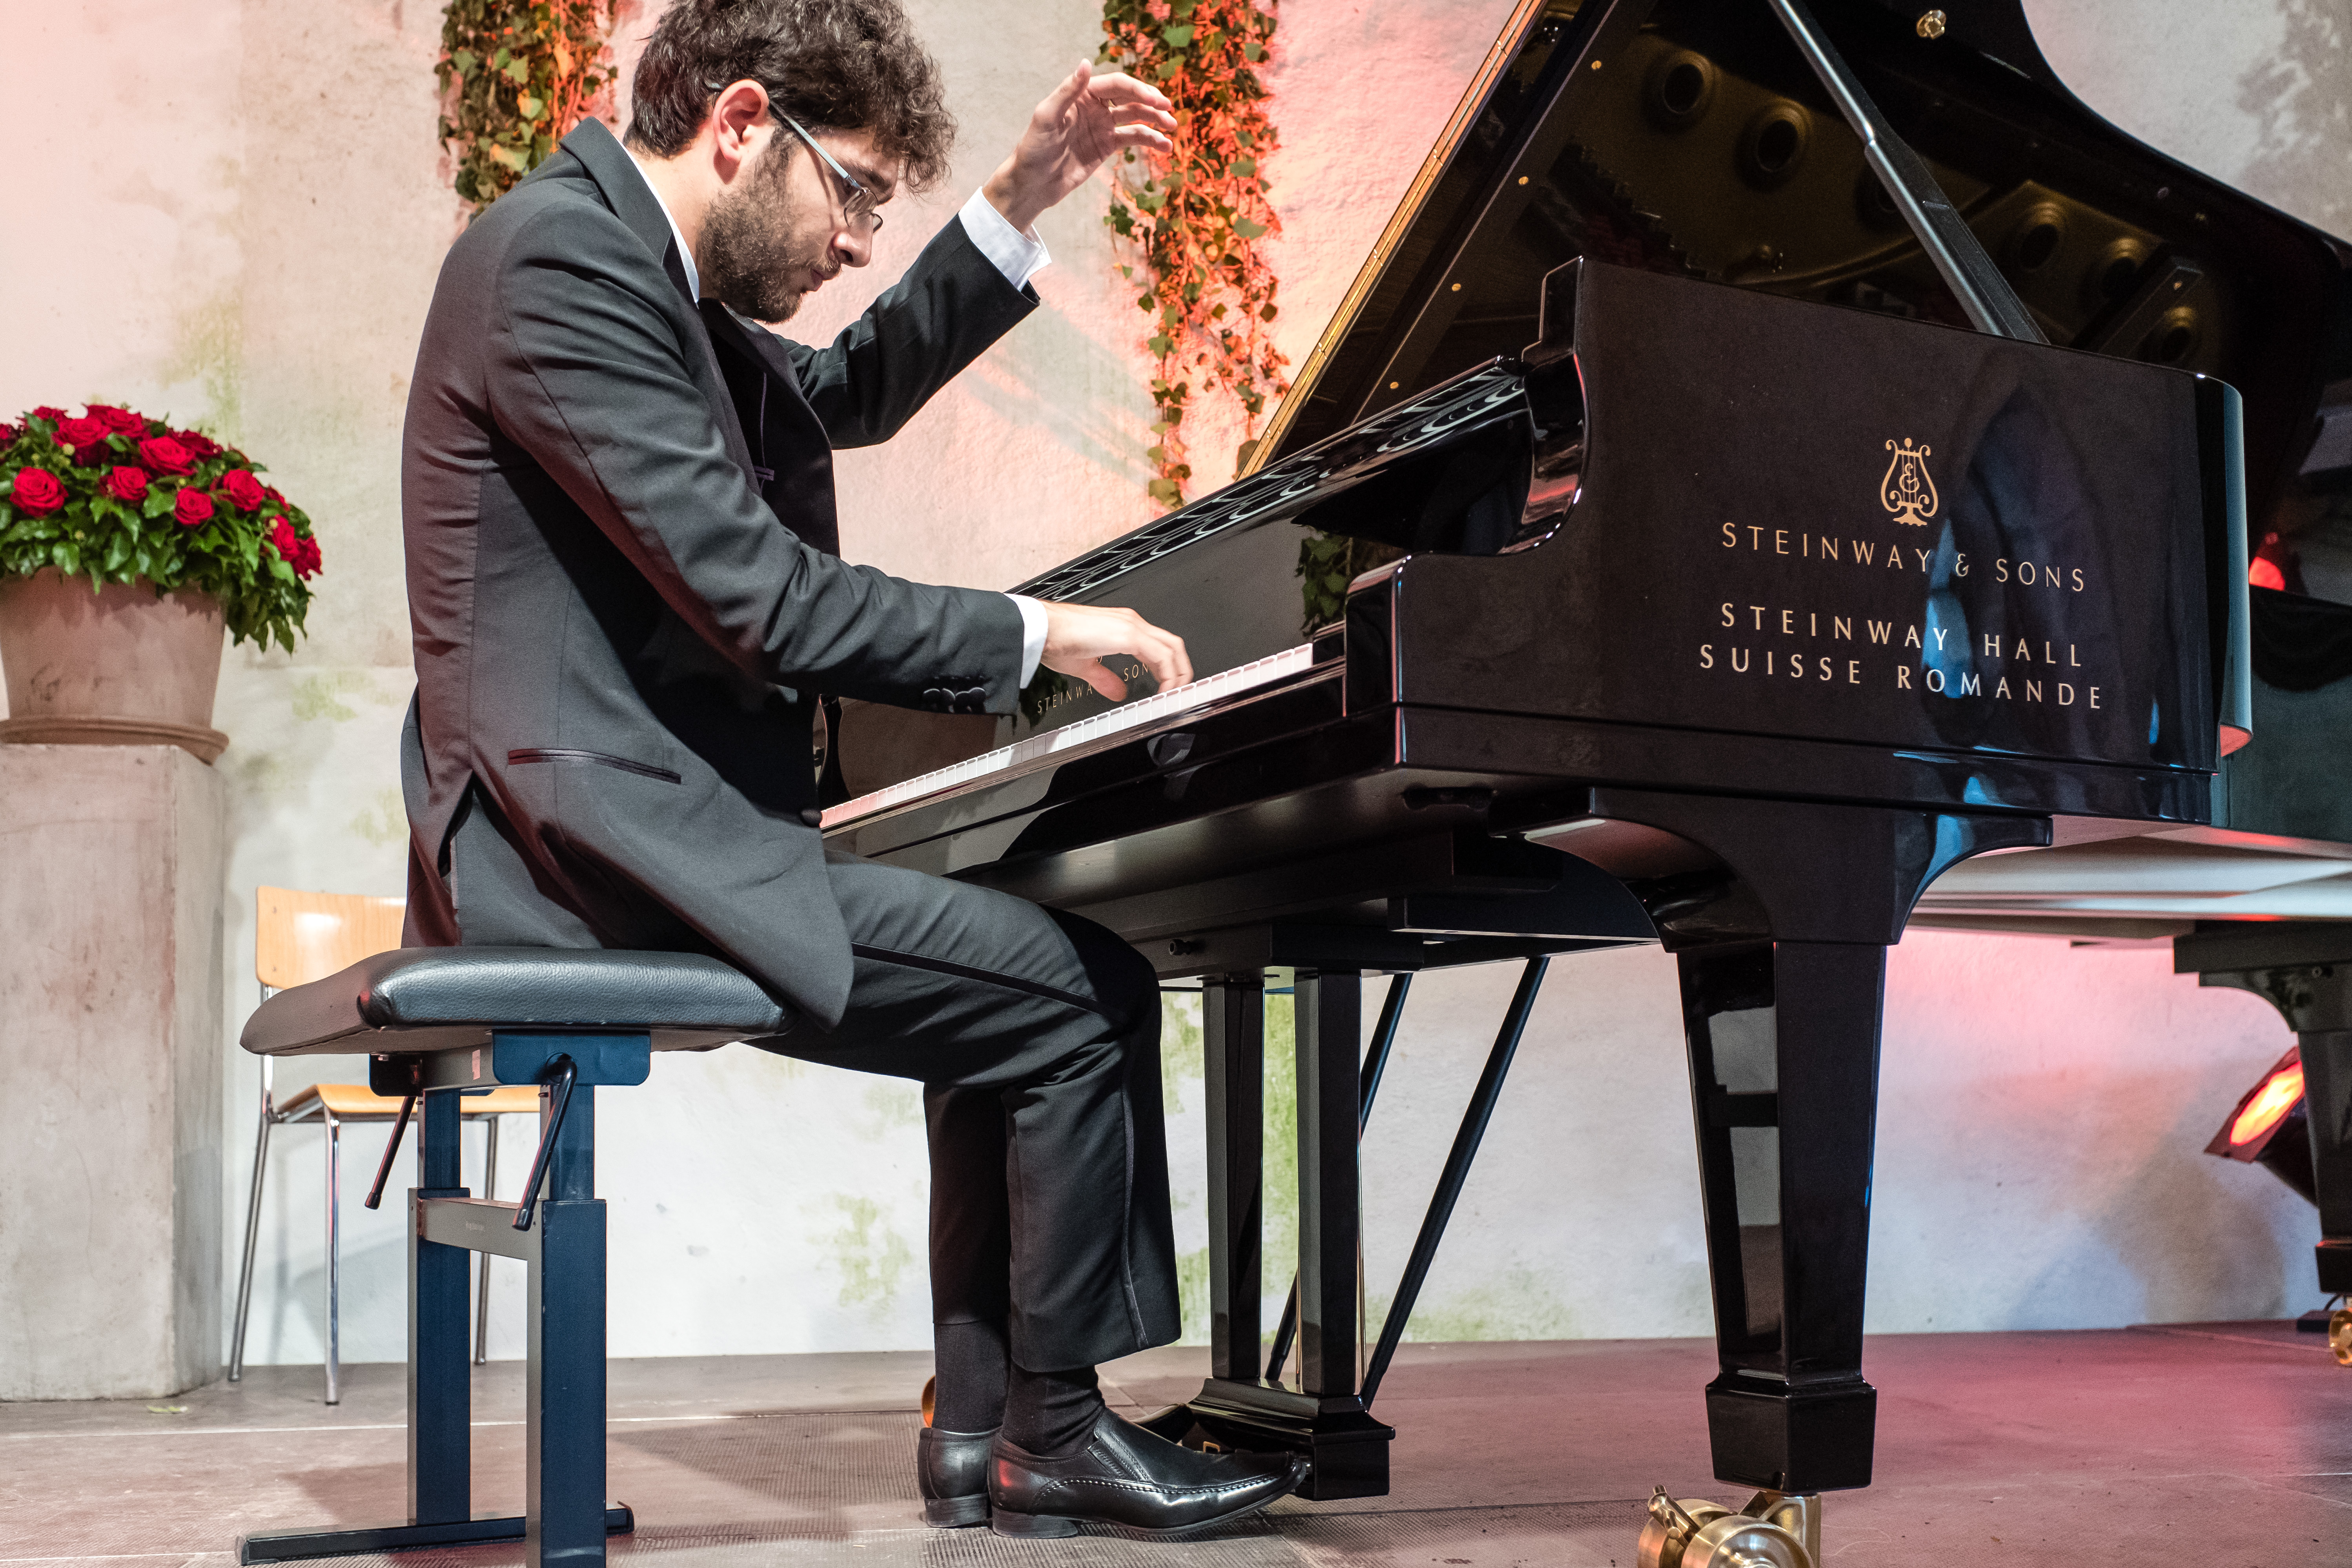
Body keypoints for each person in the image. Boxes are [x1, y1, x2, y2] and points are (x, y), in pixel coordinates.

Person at [397, 0, 1306, 1542]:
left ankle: (992, 1436)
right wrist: (1033, 635)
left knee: (1014, 995)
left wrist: (1012, 205)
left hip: (622, 823)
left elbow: (845, 393)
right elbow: (753, 590)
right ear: (743, 124)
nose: (857, 241)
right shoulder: (555, 260)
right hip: (590, 851)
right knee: (1072, 990)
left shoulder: (635, 280)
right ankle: (1053, 1429)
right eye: (857, 193)